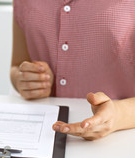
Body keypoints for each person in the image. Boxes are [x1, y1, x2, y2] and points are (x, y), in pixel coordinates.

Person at [10, 1, 135, 140]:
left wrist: (118, 114)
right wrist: (28, 80)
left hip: (121, 140)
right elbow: (16, 66)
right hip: (43, 134)